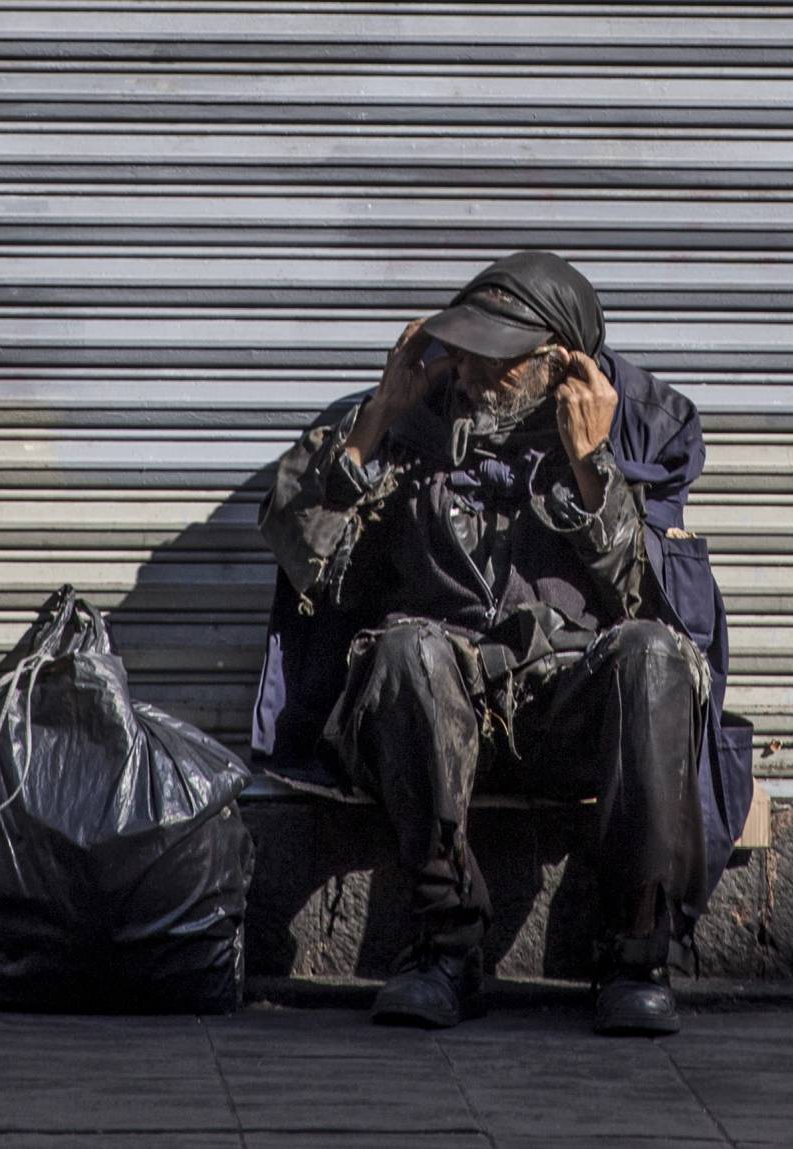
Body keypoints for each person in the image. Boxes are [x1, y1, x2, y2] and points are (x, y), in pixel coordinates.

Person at [250, 251, 753, 1035]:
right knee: (408, 648)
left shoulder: (634, 428)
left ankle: (634, 955)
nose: (472, 372)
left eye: (498, 358)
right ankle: (444, 947)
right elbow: (300, 548)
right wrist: (374, 425)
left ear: (560, 363)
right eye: (464, 351)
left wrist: (591, 468)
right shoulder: (407, 420)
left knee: (653, 655)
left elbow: (657, 609)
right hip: (431, 711)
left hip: (565, 710)